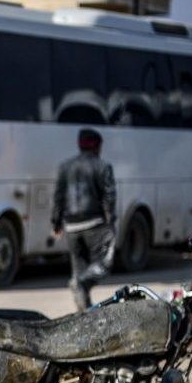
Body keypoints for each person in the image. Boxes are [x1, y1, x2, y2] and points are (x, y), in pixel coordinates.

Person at [52, 128, 117, 311]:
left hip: (71, 225)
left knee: (79, 267)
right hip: (94, 223)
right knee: (104, 264)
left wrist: (56, 223)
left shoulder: (65, 167)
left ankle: (84, 312)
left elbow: (58, 196)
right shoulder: (103, 166)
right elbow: (109, 196)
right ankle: (80, 282)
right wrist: (110, 222)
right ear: (97, 146)